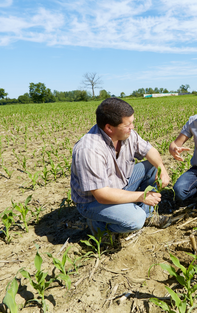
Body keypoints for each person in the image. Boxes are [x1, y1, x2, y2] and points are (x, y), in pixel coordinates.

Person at [70, 98, 171, 235]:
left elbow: (149, 151)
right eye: (128, 124)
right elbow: (102, 194)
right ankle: (101, 228)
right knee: (136, 219)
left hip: (119, 185)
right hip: (93, 201)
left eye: (132, 122)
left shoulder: (127, 135)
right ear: (109, 128)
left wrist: (162, 168)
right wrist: (141, 196)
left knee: (152, 167)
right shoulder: (89, 149)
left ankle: (147, 215)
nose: (132, 127)